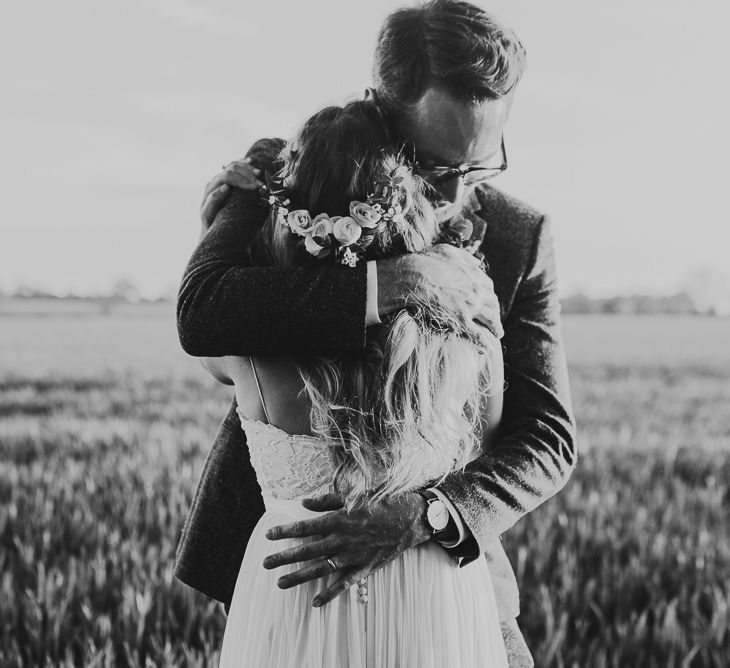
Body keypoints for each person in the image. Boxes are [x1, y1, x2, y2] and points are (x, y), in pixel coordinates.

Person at [175, 2, 576, 665]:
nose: (457, 192)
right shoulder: (285, 176)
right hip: (293, 569)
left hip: (447, 567)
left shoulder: (518, 235)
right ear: (381, 114)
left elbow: (548, 439)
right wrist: (391, 284)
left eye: (481, 166)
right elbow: (204, 310)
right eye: (437, 165)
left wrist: (426, 515)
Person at [206, 98, 509, 666]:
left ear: (290, 213)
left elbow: (212, 307)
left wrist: (228, 219)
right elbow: (489, 442)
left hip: (296, 597)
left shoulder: (247, 351)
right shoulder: (472, 334)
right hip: (432, 594)